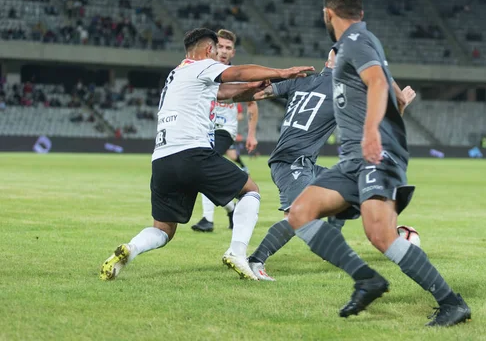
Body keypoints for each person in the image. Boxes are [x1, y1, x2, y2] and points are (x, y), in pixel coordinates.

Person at [285, 0, 471, 326]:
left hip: (375, 153)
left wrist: (372, 131)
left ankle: (451, 303)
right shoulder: (356, 42)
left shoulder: (356, 40)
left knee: (380, 234)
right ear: (360, 11)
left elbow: (379, 83)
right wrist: (389, 112)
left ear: (328, 13)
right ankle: (366, 278)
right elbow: (395, 97)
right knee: (300, 212)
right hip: (355, 158)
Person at [99, 28, 313, 281]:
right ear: (209, 50)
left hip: (162, 160)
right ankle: (237, 253)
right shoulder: (202, 67)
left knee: (164, 229)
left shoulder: (177, 74)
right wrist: (281, 73)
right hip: (192, 152)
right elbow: (238, 72)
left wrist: (254, 87)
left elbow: (226, 93)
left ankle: (130, 249)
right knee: (250, 191)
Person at [237, 49, 416, 281]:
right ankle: (255, 260)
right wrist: (401, 106)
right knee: (297, 216)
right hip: (291, 163)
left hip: (303, 162)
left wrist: (225, 91)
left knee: (349, 188)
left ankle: (332, 235)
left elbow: (259, 94)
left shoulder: (300, 81)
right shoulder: (345, 92)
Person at [191, 29, 259, 232]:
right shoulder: (204, 70)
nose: (223, 51)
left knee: (204, 163)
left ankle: (207, 220)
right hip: (203, 128)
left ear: (233, 53)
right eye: (220, 46)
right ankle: (231, 208)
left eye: (228, 48)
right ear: (212, 47)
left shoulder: (237, 76)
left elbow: (252, 105)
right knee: (198, 172)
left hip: (223, 130)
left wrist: (251, 134)